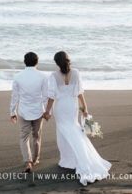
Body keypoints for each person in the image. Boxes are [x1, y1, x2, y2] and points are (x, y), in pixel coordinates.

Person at [43, 51, 111, 185]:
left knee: (64, 133)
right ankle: (74, 159)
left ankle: (70, 160)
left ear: (57, 62)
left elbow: (51, 96)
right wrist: (85, 108)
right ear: (68, 60)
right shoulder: (76, 73)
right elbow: (80, 93)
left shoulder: (53, 75)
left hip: (61, 107)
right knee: (74, 130)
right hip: (72, 106)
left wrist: (47, 111)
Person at [9, 51, 49, 173]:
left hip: (23, 111)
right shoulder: (43, 76)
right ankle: (36, 159)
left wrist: (12, 112)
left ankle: (28, 162)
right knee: (36, 136)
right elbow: (46, 96)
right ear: (37, 62)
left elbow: (15, 96)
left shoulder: (18, 76)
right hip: (38, 111)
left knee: (24, 137)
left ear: (24, 62)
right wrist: (47, 111)